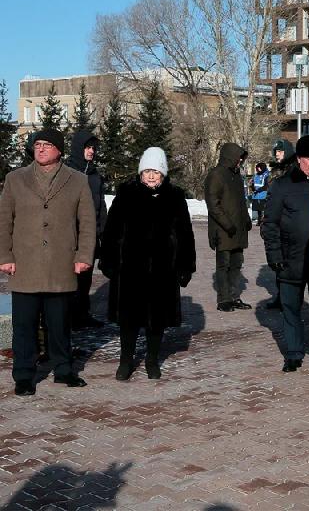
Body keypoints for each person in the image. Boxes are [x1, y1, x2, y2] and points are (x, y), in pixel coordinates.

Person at [0, 129, 95, 395]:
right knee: (24, 327)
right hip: (24, 265)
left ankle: (64, 370)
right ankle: (23, 376)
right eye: (37, 145)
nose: (40, 149)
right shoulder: (15, 179)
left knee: (60, 324)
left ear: (60, 150)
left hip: (61, 265)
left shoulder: (77, 180)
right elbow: (3, 221)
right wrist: (4, 256)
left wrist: (84, 257)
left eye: (47, 145)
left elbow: (87, 223)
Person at [100, 148, 196, 380]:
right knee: (129, 320)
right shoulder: (126, 194)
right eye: (147, 171)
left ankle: (152, 360)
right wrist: (109, 260)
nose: (151, 176)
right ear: (141, 173)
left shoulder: (174, 197)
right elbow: (111, 230)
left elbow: (185, 234)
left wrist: (185, 266)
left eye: (156, 172)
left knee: (157, 320)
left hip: (164, 270)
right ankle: (126, 361)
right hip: (130, 269)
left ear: (163, 174)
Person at [261, 134, 309, 373]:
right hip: (290, 260)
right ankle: (293, 353)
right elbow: (269, 223)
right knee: (290, 308)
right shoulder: (283, 185)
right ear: (299, 159)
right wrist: (274, 256)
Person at [65, 130, 107, 330]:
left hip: (90, 237)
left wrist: (103, 233)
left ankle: (82, 314)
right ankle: (69, 316)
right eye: (88, 147)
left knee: (85, 278)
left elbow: (101, 207)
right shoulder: (66, 173)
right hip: (69, 237)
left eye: (93, 148)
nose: (91, 151)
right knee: (69, 279)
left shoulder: (95, 176)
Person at [205, 143, 253, 312]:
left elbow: (241, 202)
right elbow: (213, 205)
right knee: (223, 265)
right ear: (230, 157)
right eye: (238, 157)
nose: (240, 161)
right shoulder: (216, 175)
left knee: (237, 263)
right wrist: (228, 225)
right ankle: (224, 300)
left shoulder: (236, 175)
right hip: (223, 230)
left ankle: (233, 297)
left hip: (238, 229)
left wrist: (246, 219)